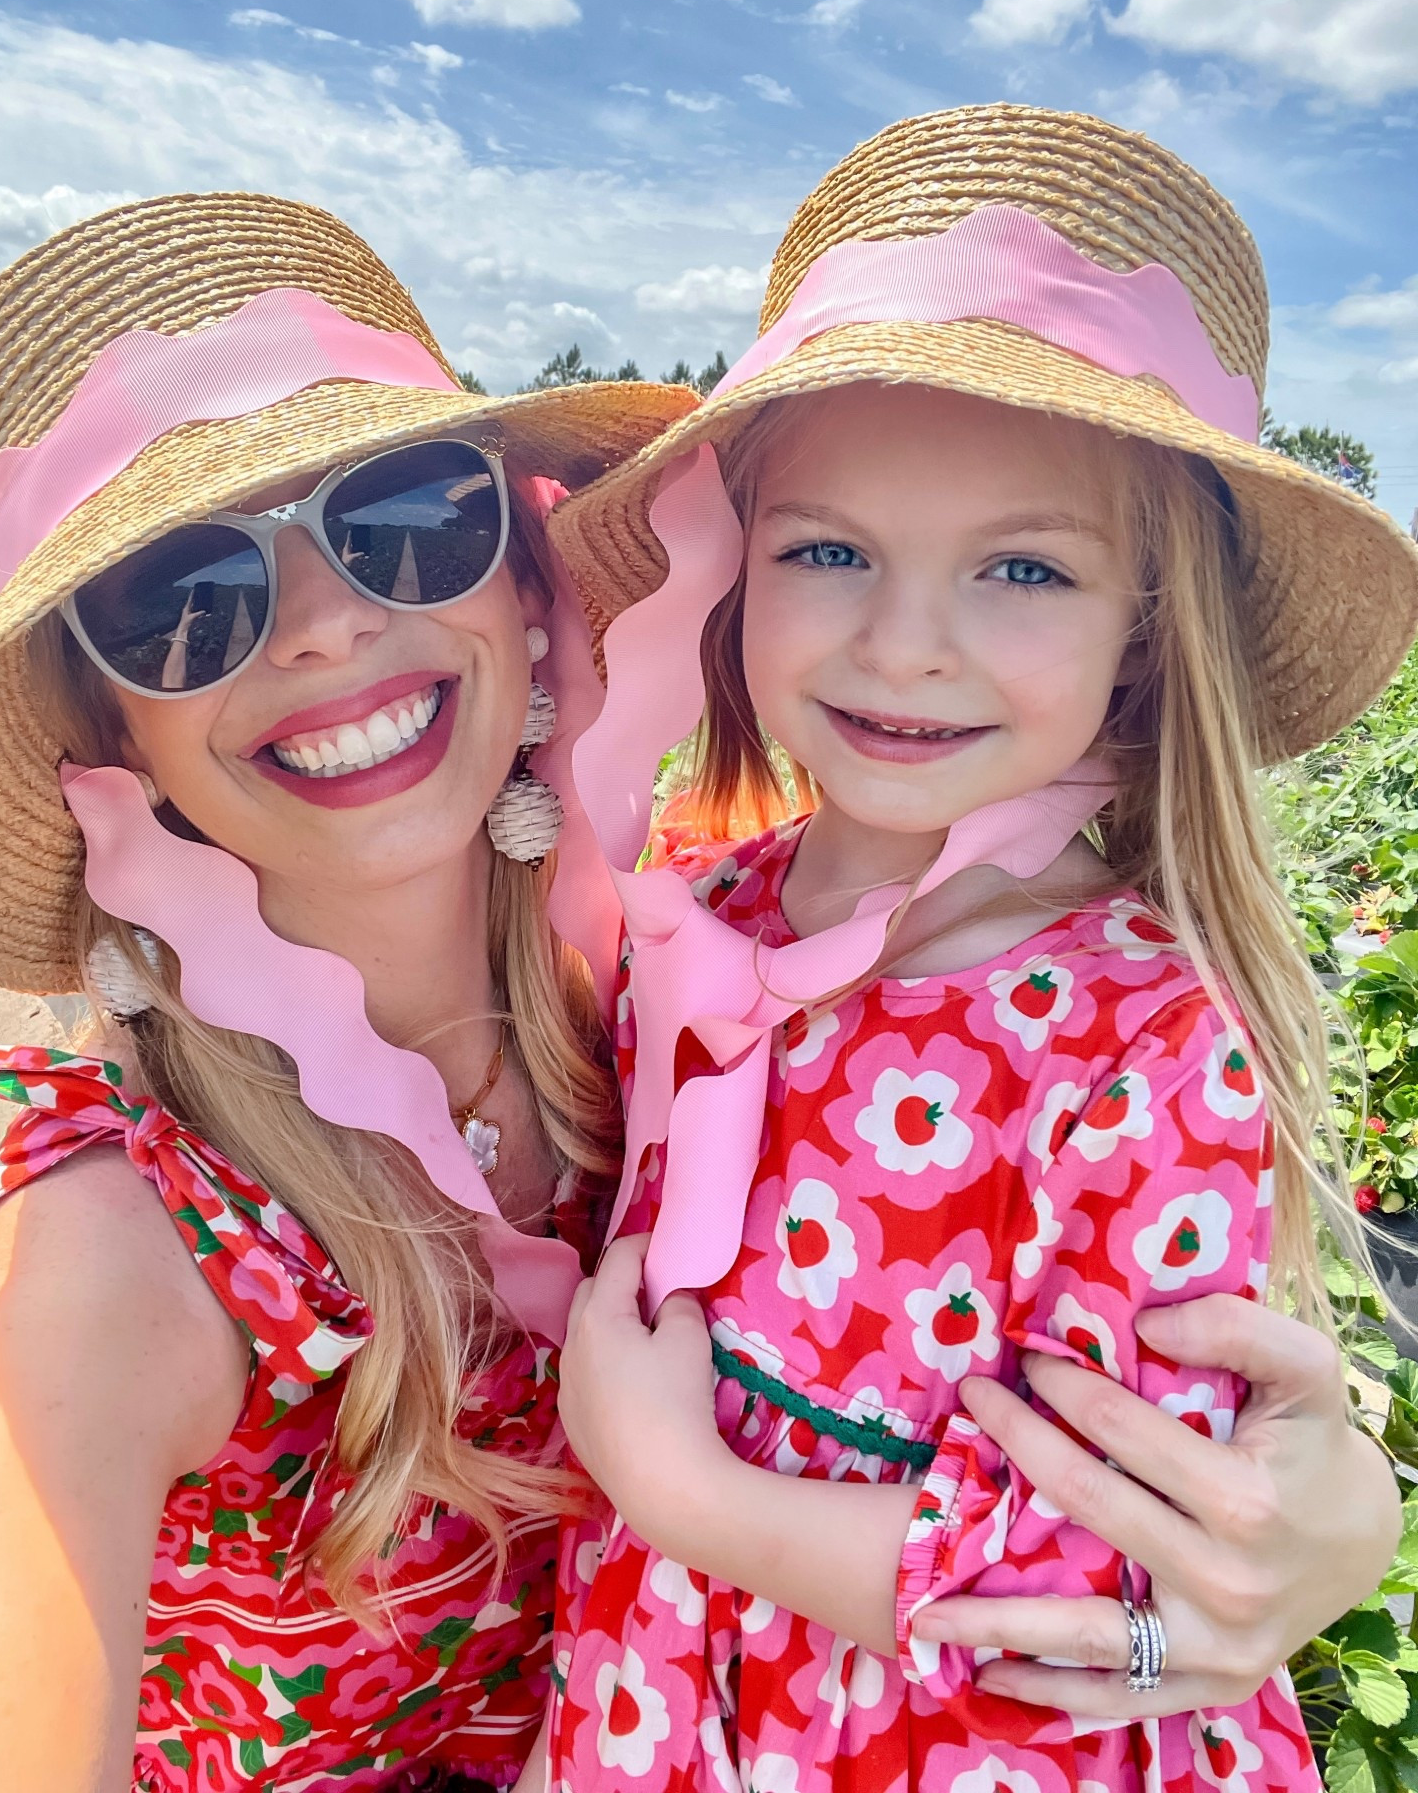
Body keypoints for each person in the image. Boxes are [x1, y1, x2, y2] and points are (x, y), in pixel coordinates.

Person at [540, 105, 1418, 1789]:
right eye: (829, 552)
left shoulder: (1144, 1035)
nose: (905, 643)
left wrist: (681, 1495)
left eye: (1022, 568)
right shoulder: (704, 918)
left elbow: (1125, 1570)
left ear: (1145, 636)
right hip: (661, 1696)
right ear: (732, 581)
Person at [0, 191, 696, 1793]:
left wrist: (1274, 1566)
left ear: (526, 584)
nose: (328, 625)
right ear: (109, 733)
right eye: (184, 599)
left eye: (403, 518)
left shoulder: (687, 1021)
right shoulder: (110, 1277)